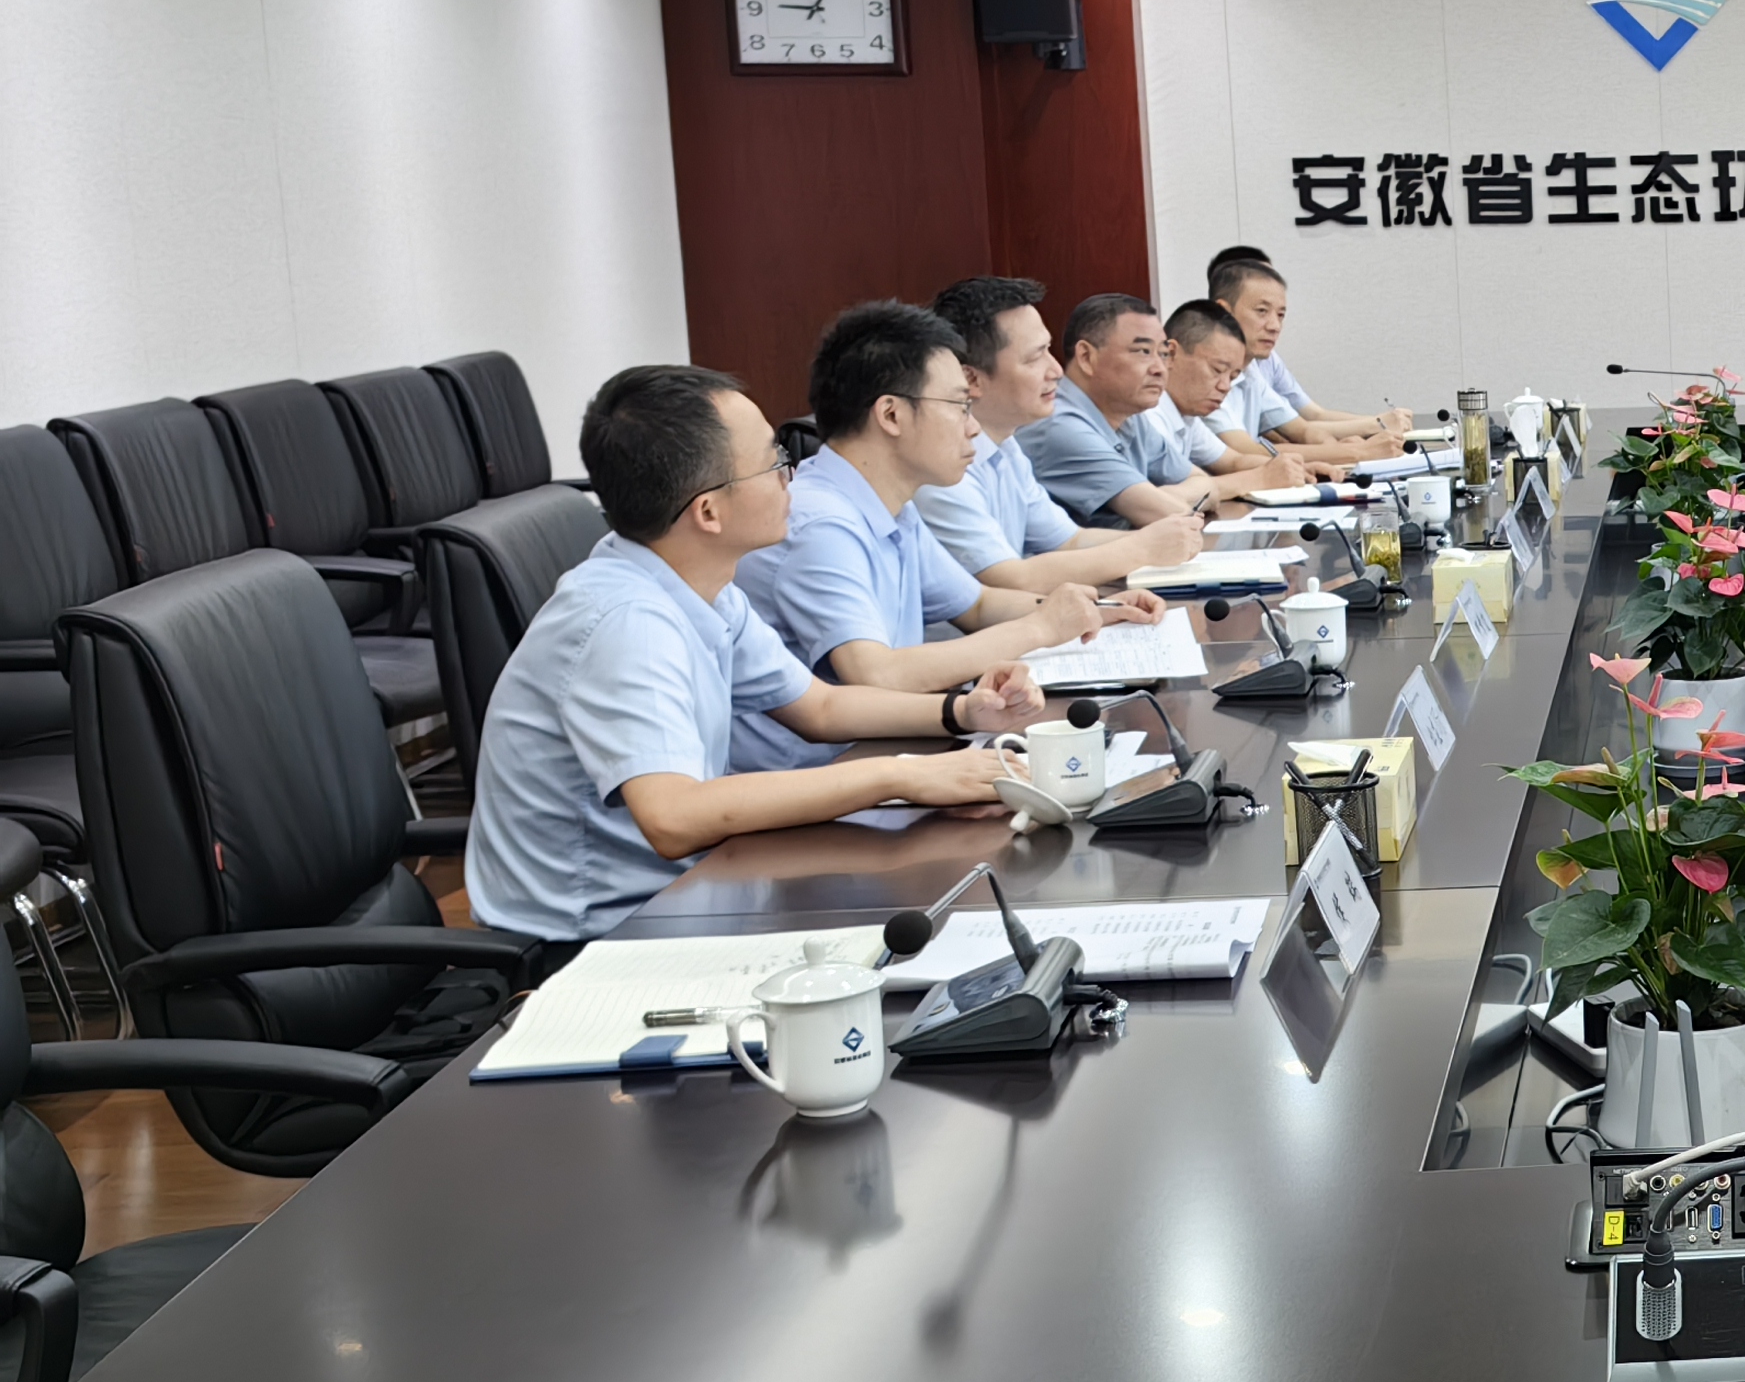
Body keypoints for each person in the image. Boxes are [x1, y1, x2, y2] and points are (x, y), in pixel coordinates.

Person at [464, 366, 1032, 945]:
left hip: (692, 892)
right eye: (773, 461)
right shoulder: (627, 623)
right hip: (595, 939)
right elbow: (674, 817)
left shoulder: (695, 579)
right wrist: (900, 775)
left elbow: (819, 708)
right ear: (708, 512)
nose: (792, 476)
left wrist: (961, 712)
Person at [735, 303, 1165, 774]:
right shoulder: (821, 523)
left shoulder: (890, 504)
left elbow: (976, 604)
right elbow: (876, 673)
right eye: (959, 406)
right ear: (891, 414)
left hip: (887, 749)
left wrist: (1098, 609)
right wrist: (1040, 628)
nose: (973, 426)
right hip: (818, 776)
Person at [921, 276, 1210, 594]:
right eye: (1034, 357)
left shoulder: (1006, 446)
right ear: (971, 379)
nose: (1056, 370)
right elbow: (1009, 579)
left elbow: (1068, 540)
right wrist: (1143, 548)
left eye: (1048, 350)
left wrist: (1164, 539)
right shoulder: (940, 467)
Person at [1017, 293, 1305, 528]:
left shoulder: (1131, 419)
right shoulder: (1060, 425)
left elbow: (1200, 483)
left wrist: (1173, 496)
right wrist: (1258, 479)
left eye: (1162, 354)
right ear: (1086, 357)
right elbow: (1164, 511)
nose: (1160, 368)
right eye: (1143, 352)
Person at [1205, 251, 1410, 457]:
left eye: (1280, 315)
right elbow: (1246, 453)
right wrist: (1357, 451)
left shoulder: (1250, 370)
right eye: (1262, 311)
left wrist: (1338, 447)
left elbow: (1303, 430)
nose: (1275, 326)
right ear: (1225, 312)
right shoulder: (1205, 374)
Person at [1160, 298, 1402, 471]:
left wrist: (1298, 465)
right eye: (1217, 370)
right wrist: (1357, 452)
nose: (1225, 386)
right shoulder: (1152, 415)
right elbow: (1240, 456)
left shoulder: (1190, 416)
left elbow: (1234, 461)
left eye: (1232, 376)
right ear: (1170, 354)